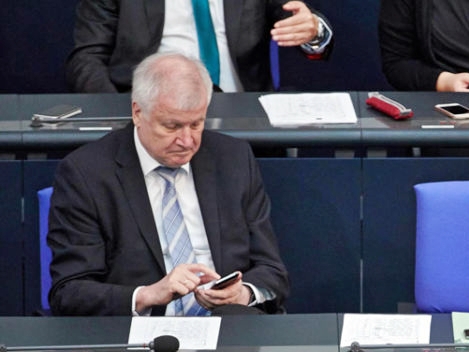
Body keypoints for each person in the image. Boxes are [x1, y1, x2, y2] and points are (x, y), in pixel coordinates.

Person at [48, 52, 290, 316]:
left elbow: (272, 271)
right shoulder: (86, 173)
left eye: (196, 124)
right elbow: (69, 292)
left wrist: (243, 294)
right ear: (138, 112)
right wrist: (147, 295)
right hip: (139, 332)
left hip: (230, 326)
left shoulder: (233, 158)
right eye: (172, 126)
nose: (187, 141)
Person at [66, 0, 334, 93]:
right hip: (151, 119)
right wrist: (121, 121)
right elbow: (87, 58)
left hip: (241, 120)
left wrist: (313, 30)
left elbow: (297, 17)